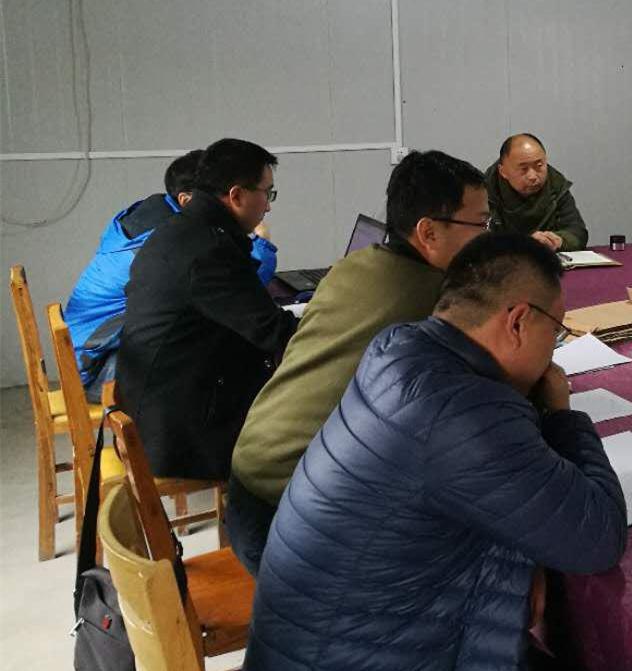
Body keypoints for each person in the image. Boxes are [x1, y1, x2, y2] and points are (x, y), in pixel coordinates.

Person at [236, 233, 631, 671]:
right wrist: (561, 414)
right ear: (517, 321)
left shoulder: (399, 349)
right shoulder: (463, 412)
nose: (553, 350)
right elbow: (597, 538)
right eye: (555, 331)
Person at [226, 149, 491, 575]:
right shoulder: (436, 303)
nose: (487, 238)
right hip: (293, 515)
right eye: (480, 224)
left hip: (249, 476)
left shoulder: (355, 264)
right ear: (428, 232)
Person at [115, 138, 298, 482]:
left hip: (156, 406)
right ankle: (267, 515)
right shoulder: (209, 250)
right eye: (267, 193)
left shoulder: (180, 230)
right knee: (310, 430)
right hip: (179, 434)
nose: (268, 207)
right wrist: (331, 323)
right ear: (236, 195)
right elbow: (273, 332)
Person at [63, 150, 278, 400]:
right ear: (187, 200)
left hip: (86, 356)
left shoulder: (147, 215)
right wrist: (262, 244)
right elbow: (239, 296)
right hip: (98, 369)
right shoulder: (170, 243)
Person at [485, 132, 589, 251]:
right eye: (524, 169)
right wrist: (524, 244)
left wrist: (558, 240)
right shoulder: (484, 192)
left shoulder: (556, 186)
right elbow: (478, 241)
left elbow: (578, 232)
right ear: (503, 171)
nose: (533, 176)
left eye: (539, 166)